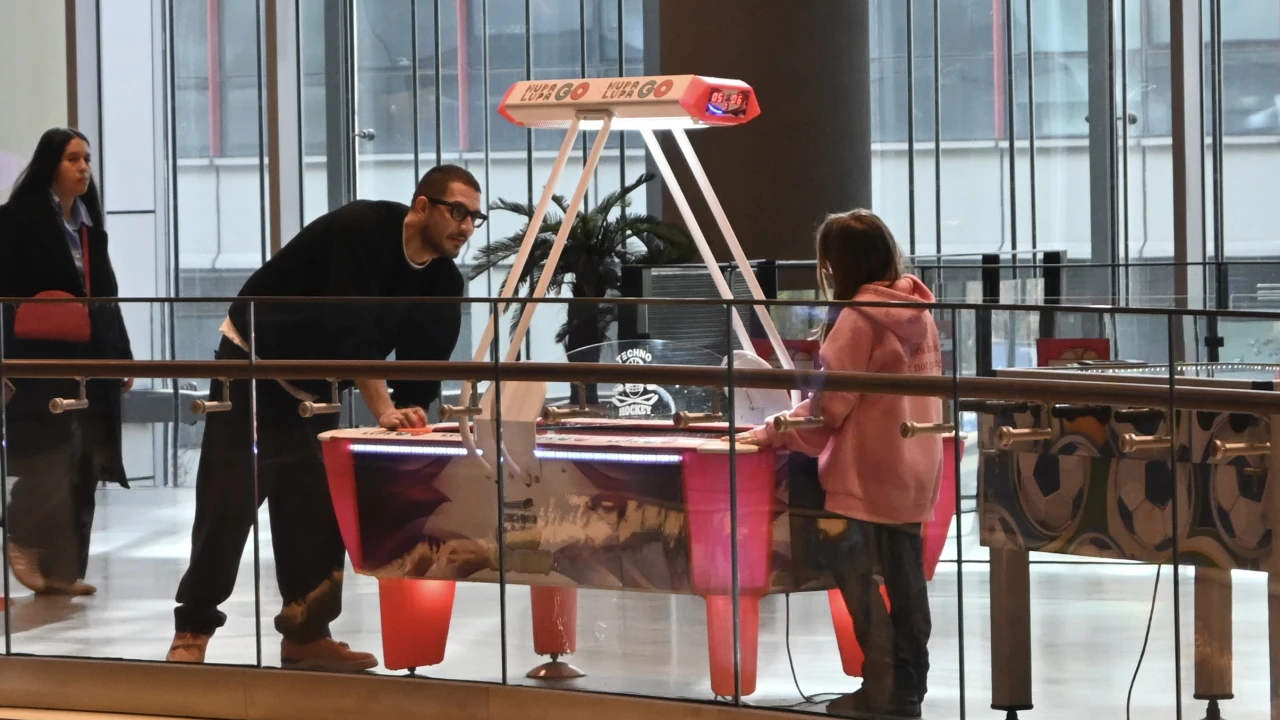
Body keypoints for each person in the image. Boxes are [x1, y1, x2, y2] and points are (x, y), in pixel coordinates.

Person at [166, 164, 483, 671]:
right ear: (422, 206)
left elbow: (424, 367)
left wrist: (411, 420)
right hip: (253, 366)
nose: (466, 227)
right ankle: (193, 628)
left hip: (319, 389)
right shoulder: (362, 229)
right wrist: (383, 408)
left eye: (474, 218)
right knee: (228, 503)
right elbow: (348, 326)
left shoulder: (444, 279)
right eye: (457, 212)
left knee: (315, 513)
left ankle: (306, 634)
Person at [738, 209, 943, 718]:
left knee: (856, 577)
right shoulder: (919, 310)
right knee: (908, 583)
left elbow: (828, 411)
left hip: (865, 475)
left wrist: (770, 431)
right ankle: (908, 692)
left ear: (838, 264)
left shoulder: (856, 319)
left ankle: (880, 691)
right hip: (916, 467)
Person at [0, 127, 134, 596]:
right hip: (37, 356)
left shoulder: (90, 228)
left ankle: (62, 570)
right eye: (73, 159)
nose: (83, 168)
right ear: (50, 164)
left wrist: (121, 357)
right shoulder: (16, 220)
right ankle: (21, 535)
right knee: (50, 450)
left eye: (87, 159)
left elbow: (107, 297)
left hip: (91, 356)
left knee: (85, 458)